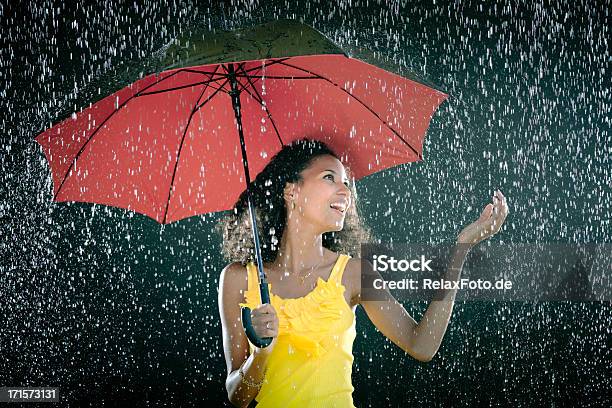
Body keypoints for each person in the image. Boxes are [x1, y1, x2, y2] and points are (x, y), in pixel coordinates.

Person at [216, 138, 509, 407]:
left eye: (346, 182)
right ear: (292, 191)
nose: (345, 191)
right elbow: (238, 397)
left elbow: (423, 344)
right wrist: (260, 354)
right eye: (329, 178)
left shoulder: (353, 273)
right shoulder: (238, 279)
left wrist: (461, 249)